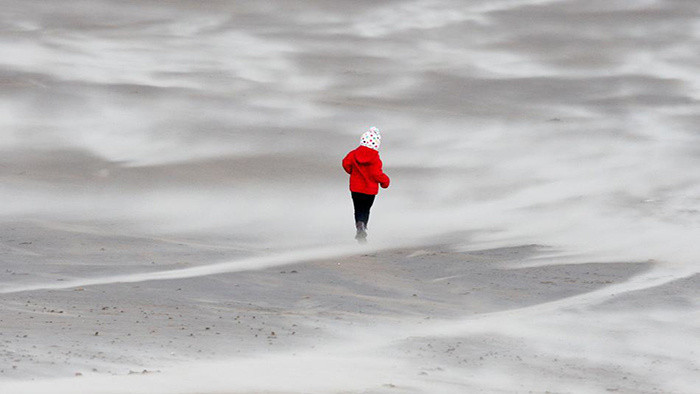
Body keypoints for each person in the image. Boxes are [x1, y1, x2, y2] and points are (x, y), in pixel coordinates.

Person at [342, 127, 390, 242]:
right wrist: (385, 181)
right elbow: (376, 174)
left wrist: (351, 171)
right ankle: (363, 226)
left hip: (356, 189)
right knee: (366, 209)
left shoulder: (353, 154)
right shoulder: (375, 159)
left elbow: (345, 163)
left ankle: (359, 226)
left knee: (358, 209)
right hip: (369, 191)